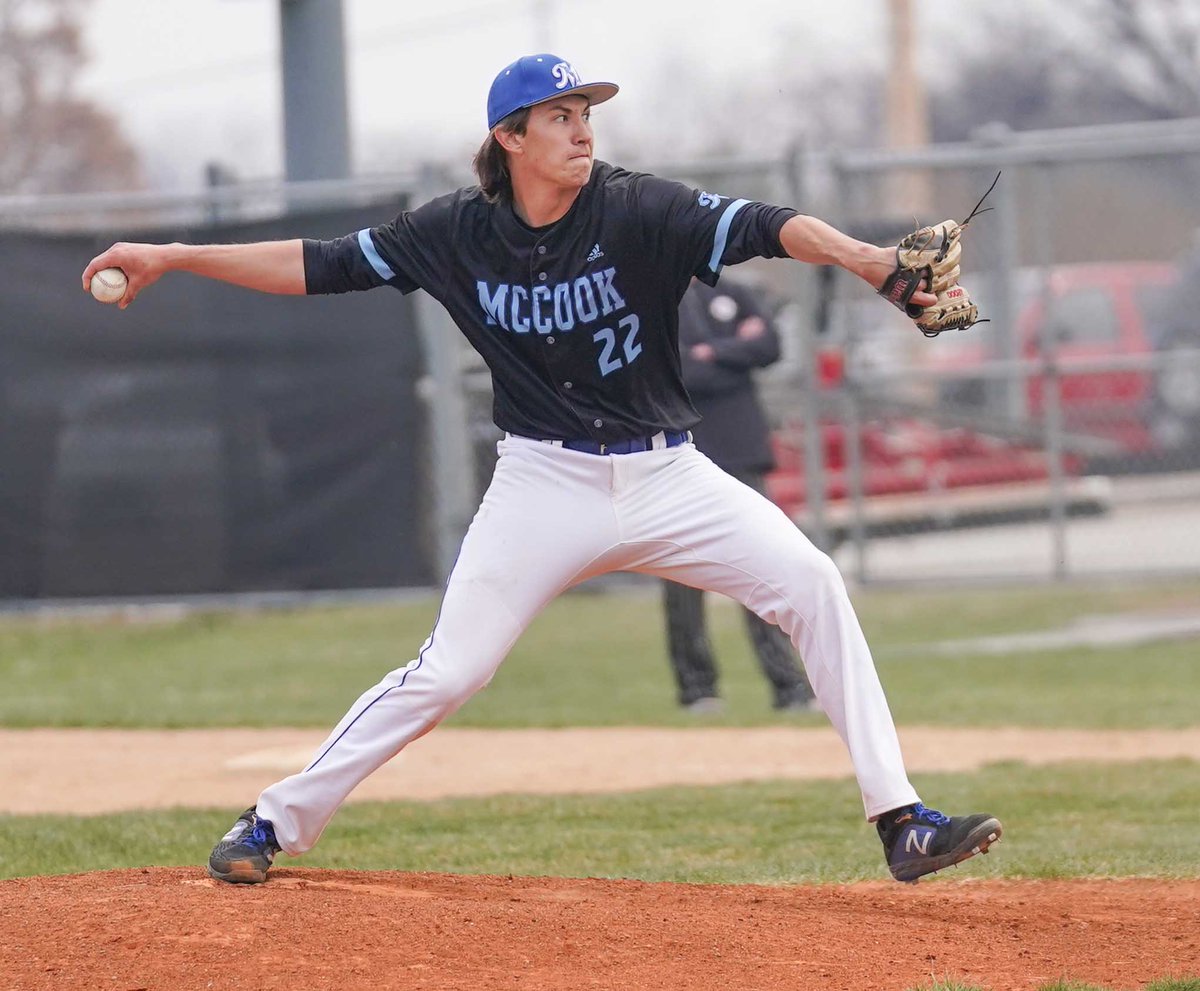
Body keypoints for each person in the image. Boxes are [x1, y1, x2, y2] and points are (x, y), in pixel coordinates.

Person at [83, 53, 1002, 886]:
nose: (582, 130)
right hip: (543, 483)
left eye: (586, 113)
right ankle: (271, 820)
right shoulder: (454, 232)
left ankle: (901, 821)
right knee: (450, 672)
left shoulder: (636, 206)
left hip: (668, 475)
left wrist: (870, 261)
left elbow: (764, 224)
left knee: (813, 583)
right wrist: (174, 254)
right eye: (560, 116)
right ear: (510, 138)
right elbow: (318, 264)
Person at [666, 277, 816, 713]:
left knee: (762, 570)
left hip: (742, 450)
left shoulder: (734, 292)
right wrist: (734, 350)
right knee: (682, 575)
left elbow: (769, 347)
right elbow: (679, 370)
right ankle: (698, 690)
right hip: (683, 455)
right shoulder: (658, 293)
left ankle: (789, 688)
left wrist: (711, 351)